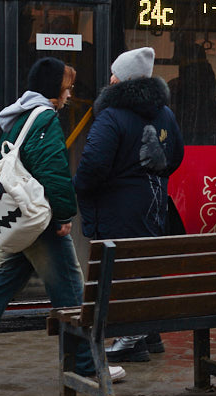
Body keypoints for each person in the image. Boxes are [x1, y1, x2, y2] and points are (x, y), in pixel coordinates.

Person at [0, 58, 126, 388]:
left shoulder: (19, 116)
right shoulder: (45, 119)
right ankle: (87, 365)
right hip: (38, 223)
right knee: (70, 289)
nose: (69, 93)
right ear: (54, 88)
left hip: (17, 226)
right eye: (67, 86)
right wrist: (64, 214)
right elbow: (53, 171)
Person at [74, 47, 184, 362]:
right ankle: (150, 334)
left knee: (121, 273)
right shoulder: (165, 113)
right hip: (152, 207)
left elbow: (92, 167)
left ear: (124, 80)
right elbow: (175, 157)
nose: (110, 77)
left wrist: (78, 189)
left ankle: (131, 342)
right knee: (145, 267)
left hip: (116, 210)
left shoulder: (112, 116)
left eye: (115, 73)